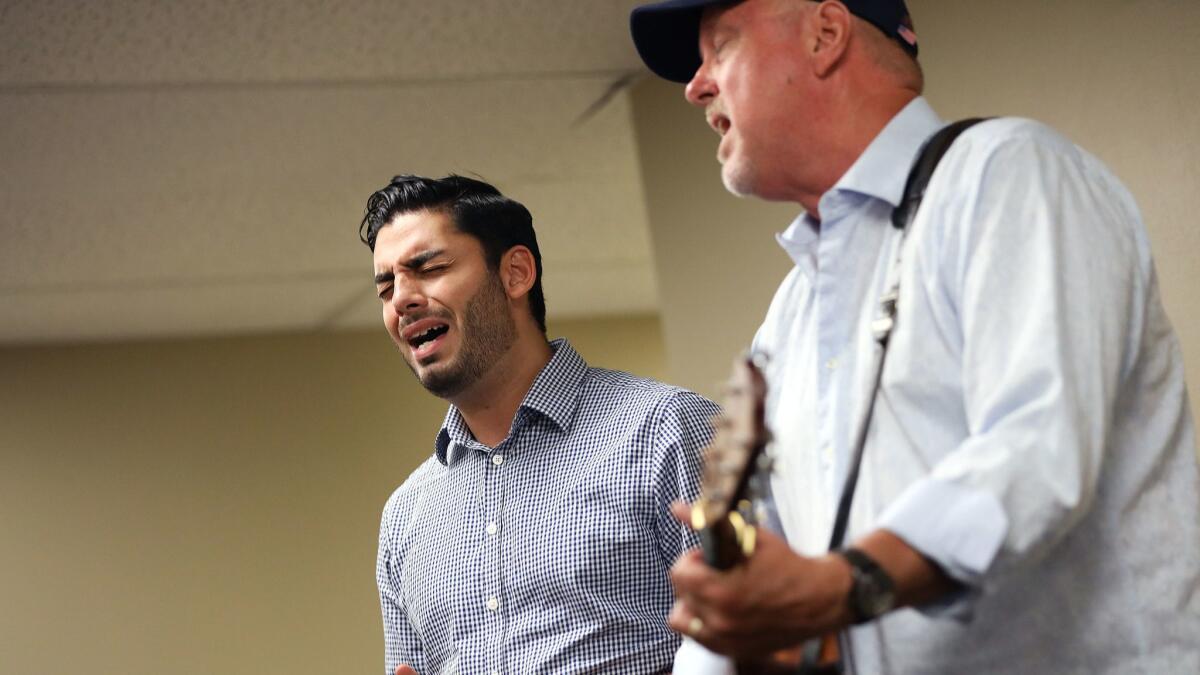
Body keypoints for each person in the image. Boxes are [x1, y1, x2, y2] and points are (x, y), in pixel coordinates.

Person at [629, 0, 1200, 672]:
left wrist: (838, 586)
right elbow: (770, 558)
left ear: (825, 35)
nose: (695, 85)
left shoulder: (1006, 172)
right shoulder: (786, 319)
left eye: (719, 47)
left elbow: (1035, 449)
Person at [359, 174, 719, 674]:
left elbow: (761, 642)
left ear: (515, 273)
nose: (401, 299)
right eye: (386, 287)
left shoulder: (667, 431)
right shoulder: (405, 517)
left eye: (430, 268)